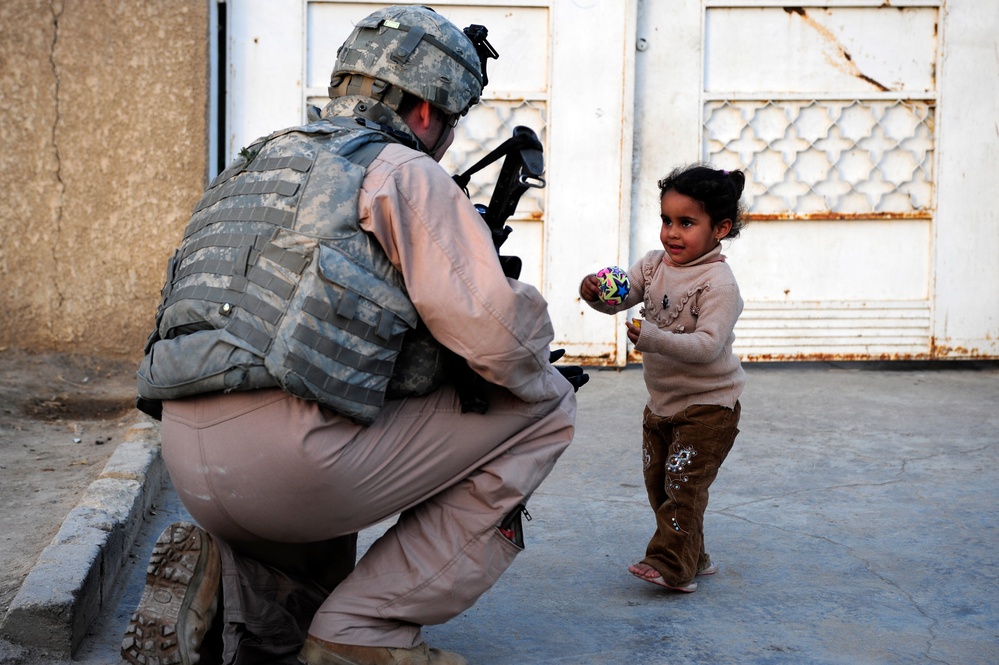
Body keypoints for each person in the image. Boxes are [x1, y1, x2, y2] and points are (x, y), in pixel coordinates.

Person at [122, 6, 586, 665]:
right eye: (449, 123)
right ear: (427, 111)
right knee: (545, 407)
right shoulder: (401, 170)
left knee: (338, 390)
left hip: (192, 463)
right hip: (292, 468)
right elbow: (497, 340)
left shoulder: (256, 161)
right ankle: (361, 632)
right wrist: (536, 342)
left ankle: (231, 582)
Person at [579, 164, 746, 593]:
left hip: (710, 406)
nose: (672, 233)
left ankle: (671, 564)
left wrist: (653, 337)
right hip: (662, 404)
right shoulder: (653, 266)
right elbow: (622, 298)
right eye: (666, 220)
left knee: (683, 485)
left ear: (720, 229)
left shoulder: (718, 283)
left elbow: (708, 345)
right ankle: (695, 555)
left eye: (686, 223)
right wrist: (595, 292)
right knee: (661, 485)